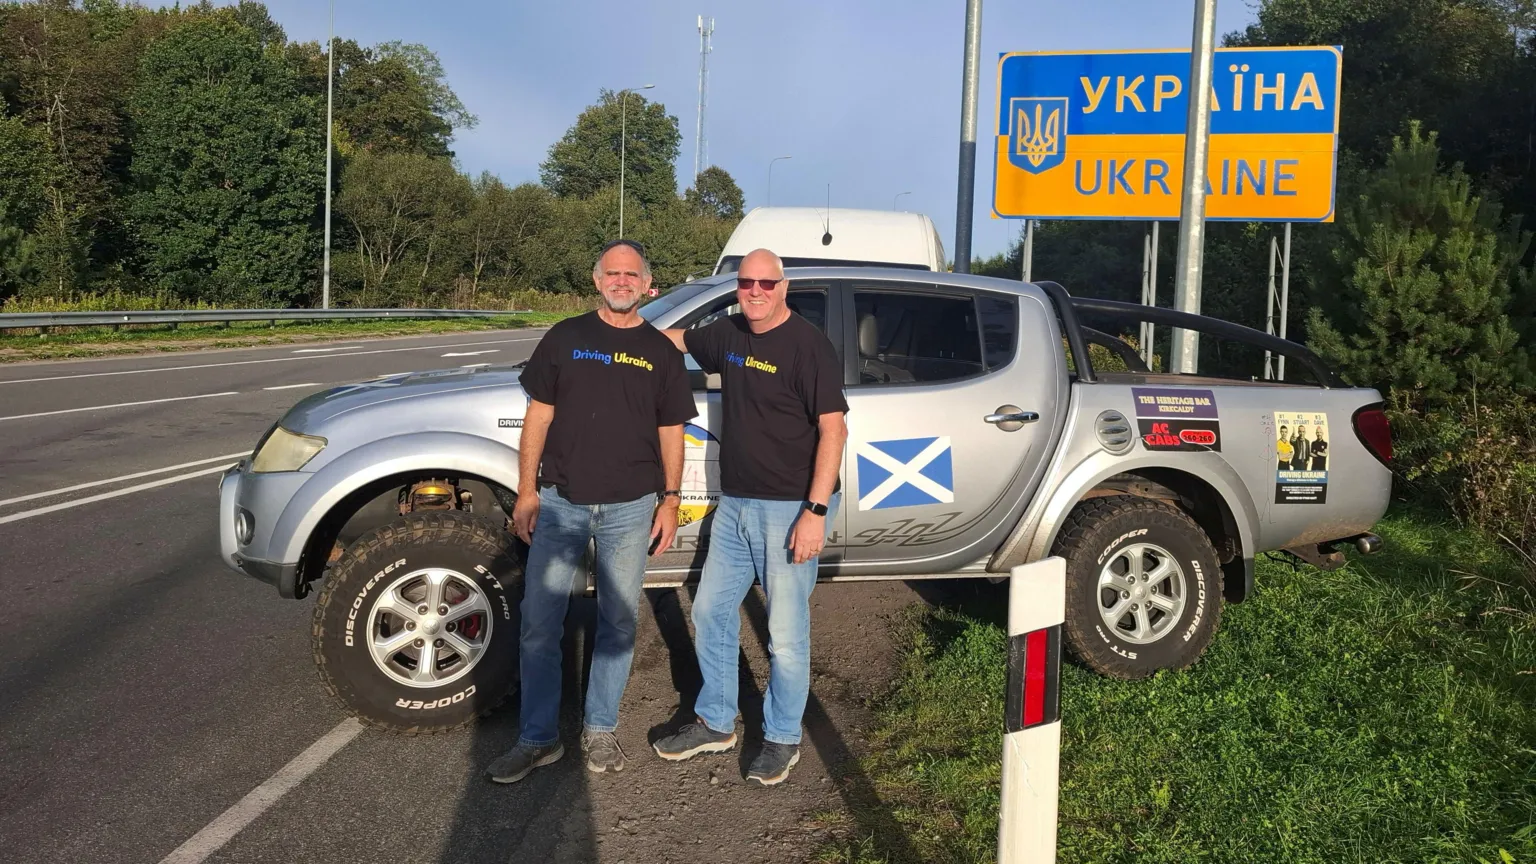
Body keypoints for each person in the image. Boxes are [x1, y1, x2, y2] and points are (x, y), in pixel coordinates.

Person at [486, 239, 697, 783]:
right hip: (560, 503)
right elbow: (538, 416)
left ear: (647, 284)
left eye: (632, 274)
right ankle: (537, 739)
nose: (622, 281)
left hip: (631, 506)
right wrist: (527, 492)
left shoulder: (660, 351)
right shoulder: (566, 337)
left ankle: (600, 729)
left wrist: (671, 500)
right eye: (613, 273)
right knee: (539, 623)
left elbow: (672, 430)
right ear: (597, 279)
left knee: (617, 623)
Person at [650, 248, 848, 787]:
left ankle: (782, 737)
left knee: (784, 635)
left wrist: (814, 511)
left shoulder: (809, 347)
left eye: (766, 282)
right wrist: (622, 323)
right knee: (711, 612)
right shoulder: (729, 333)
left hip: (788, 509)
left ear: (783, 287)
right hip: (735, 505)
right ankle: (716, 720)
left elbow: (834, 431)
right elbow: (670, 340)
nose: (755, 290)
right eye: (746, 282)